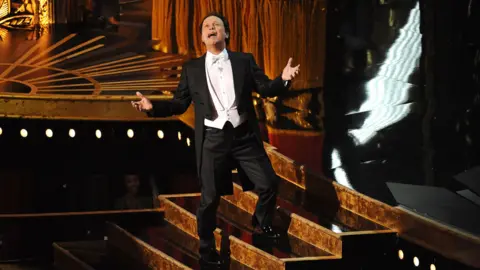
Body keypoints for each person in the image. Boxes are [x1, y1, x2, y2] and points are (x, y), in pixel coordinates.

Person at [131, 12, 299, 268]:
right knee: (209, 199)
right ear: (202, 37)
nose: (211, 28)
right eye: (206, 26)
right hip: (212, 139)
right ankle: (207, 249)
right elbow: (179, 104)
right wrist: (153, 106)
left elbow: (264, 88)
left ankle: (261, 224)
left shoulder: (244, 61)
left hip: (243, 137)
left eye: (216, 25)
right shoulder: (192, 68)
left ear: (226, 33)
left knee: (269, 184)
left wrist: (283, 80)